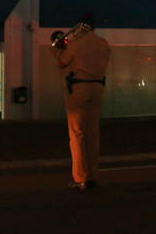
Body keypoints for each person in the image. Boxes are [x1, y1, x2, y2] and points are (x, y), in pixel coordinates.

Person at [53, 13, 110, 190]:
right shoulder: (103, 44)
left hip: (79, 89)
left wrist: (61, 49)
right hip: (97, 88)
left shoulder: (76, 43)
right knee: (93, 133)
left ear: (81, 25)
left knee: (77, 134)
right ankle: (93, 176)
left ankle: (80, 178)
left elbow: (62, 64)